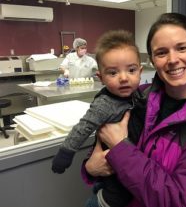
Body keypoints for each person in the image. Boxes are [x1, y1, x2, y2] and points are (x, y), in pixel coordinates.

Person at [82, 13, 186, 207]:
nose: (172, 59)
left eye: (182, 48)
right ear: (152, 60)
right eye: (161, 52)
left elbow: (178, 201)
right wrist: (89, 166)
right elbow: (102, 144)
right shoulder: (139, 98)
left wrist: (120, 147)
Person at [52, 30, 145, 206]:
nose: (124, 78)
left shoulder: (138, 95)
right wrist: (66, 153)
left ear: (140, 72)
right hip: (112, 171)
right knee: (117, 196)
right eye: (113, 73)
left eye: (131, 70)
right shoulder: (104, 103)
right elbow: (83, 127)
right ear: (100, 78)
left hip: (132, 163)